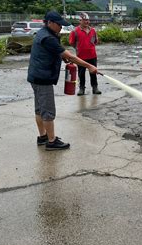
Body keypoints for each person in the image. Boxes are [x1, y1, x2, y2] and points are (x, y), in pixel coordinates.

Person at [27, 11, 98, 151]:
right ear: (50, 23)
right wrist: (89, 66)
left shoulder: (43, 33)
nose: (61, 27)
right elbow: (69, 55)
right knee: (47, 111)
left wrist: (61, 57)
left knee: (39, 109)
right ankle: (51, 141)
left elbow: (54, 53)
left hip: (35, 76)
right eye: (59, 25)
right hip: (43, 78)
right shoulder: (48, 37)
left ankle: (43, 136)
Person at [69, 12, 101, 96]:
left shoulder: (93, 30)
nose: (86, 22)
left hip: (92, 55)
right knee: (81, 73)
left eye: (87, 20)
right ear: (80, 21)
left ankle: (95, 87)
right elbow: (72, 43)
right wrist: (78, 49)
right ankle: (81, 88)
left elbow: (95, 41)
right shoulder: (75, 31)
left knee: (93, 72)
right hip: (81, 56)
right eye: (84, 20)